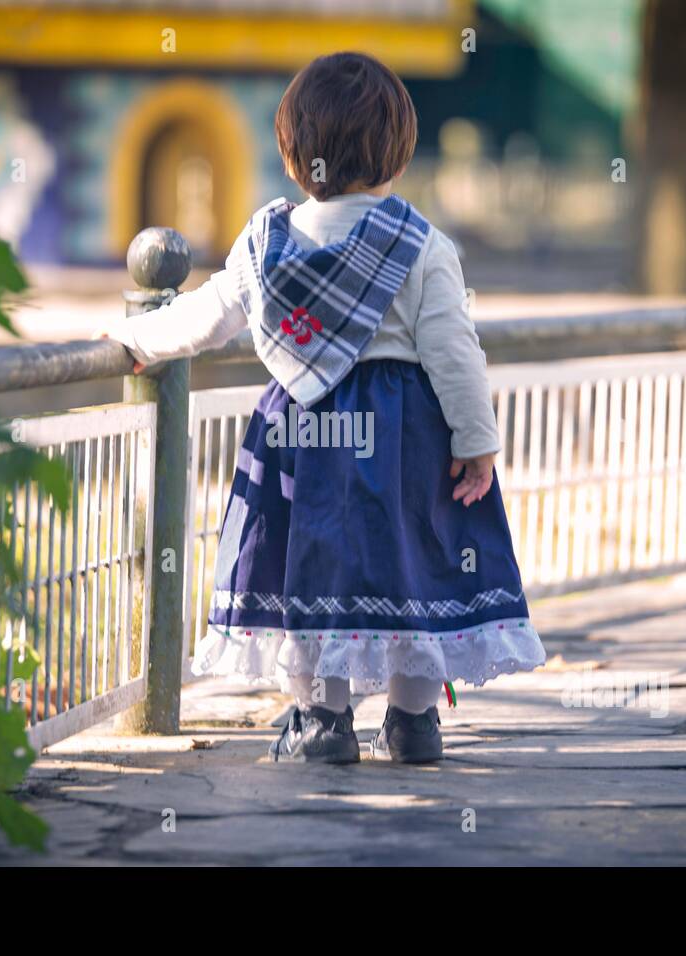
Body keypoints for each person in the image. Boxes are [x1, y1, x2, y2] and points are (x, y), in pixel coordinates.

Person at [97, 52, 544, 764]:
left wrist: (132, 337)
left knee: (306, 570)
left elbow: (206, 319)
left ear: (294, 153)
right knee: (414, 566)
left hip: (301, 436)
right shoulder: (421, 243)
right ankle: (413, 722)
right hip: (406, 440)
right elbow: (455, 350)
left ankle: (322, 720)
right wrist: (476, 438)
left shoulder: (265, 241)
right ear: (397, 153)